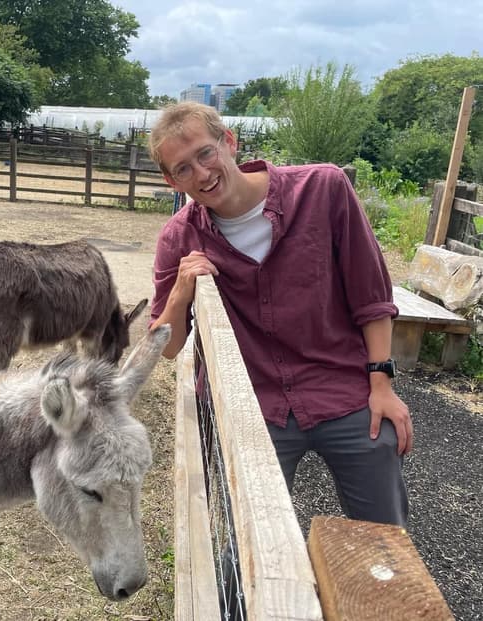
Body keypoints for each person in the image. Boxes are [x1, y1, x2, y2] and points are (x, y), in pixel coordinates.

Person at [148, 101, 412, 526]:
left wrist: (381, 385)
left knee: (384, 530)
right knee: (245, 544)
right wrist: (180, 292)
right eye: (182, 168)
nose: (201, 174)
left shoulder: (323, 189)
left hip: (342, 387)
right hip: (251, 404)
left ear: (229, 142)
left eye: (205, 154)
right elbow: (167, 344)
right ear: (170, 179)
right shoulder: (180, 236)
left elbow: (372, 295)